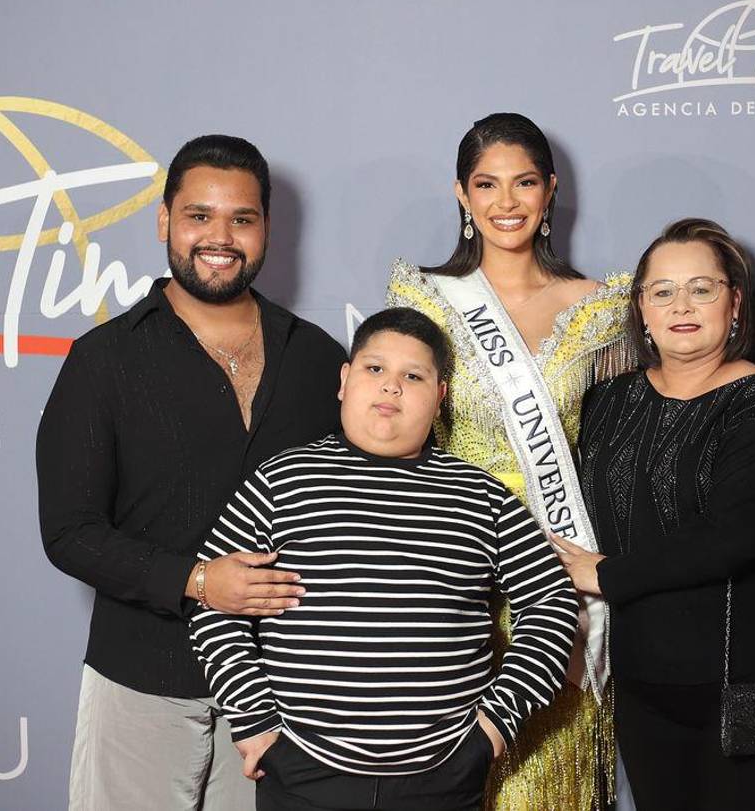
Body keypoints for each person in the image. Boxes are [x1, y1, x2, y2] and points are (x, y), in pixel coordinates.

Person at [36, 135, 347, 810]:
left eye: (241, 218)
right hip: (140, 682)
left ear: (266, 226)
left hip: (281, 696)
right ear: (164, 222)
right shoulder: (104, 360)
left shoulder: (322, 360)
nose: (220, 237)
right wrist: (200, 580)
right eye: (199, 215)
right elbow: (70, 530)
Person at [190, 307, 579, 811]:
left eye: (412, 376)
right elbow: (214, 604)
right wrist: (257, 725)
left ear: (439, 397)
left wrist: (495, 727)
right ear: (345, 380)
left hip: (444, 774)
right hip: (302, 769)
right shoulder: (281, 481)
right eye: (375, 369)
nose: (391, 387)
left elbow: (550, 601)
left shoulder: (483, 497)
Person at [384, 112, 633, 810]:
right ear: (461, 194)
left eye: (524, 182)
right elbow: (397, 443)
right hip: (455, 574)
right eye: (487, 184)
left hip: (563, 570)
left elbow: (619, 451)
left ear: (550, 191)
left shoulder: (601, 309)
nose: (506, 201)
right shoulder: (426, 301)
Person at [555, 218, 755, 811]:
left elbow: (738, 534)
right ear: (641, 310)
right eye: (663, 291)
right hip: (645, 686)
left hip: (752, 684)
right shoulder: (608, 401)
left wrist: (608, 575)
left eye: (702, 288)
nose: (683, 306)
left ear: (734, 304)